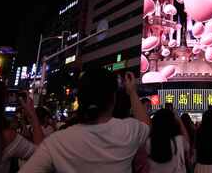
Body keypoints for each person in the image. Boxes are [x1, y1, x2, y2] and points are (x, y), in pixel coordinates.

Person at [20, 70, 150, 172]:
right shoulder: (128, 131)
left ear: (80, 100)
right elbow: (146, 124)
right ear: (113, 99)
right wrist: (132, 92)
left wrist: (33, 116)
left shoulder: (57, 142)